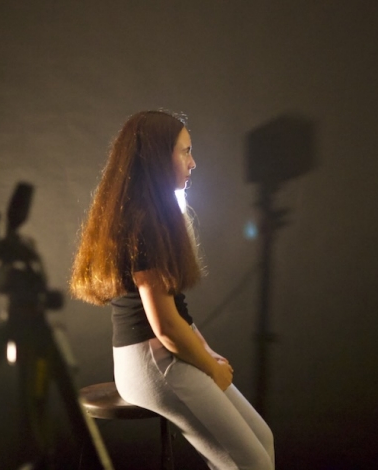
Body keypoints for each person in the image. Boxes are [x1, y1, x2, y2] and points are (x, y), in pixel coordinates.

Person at [71, 110, 274, 469]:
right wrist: (210, 368)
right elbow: (164, 326)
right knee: (252, 463)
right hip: (152, 363)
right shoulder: (144, 220)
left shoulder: (154, 212)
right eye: (184, 152)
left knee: (262, 442)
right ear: (156, 157)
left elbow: (176, 310)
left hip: (167, 354)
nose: (193, 163)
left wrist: (207, 353)